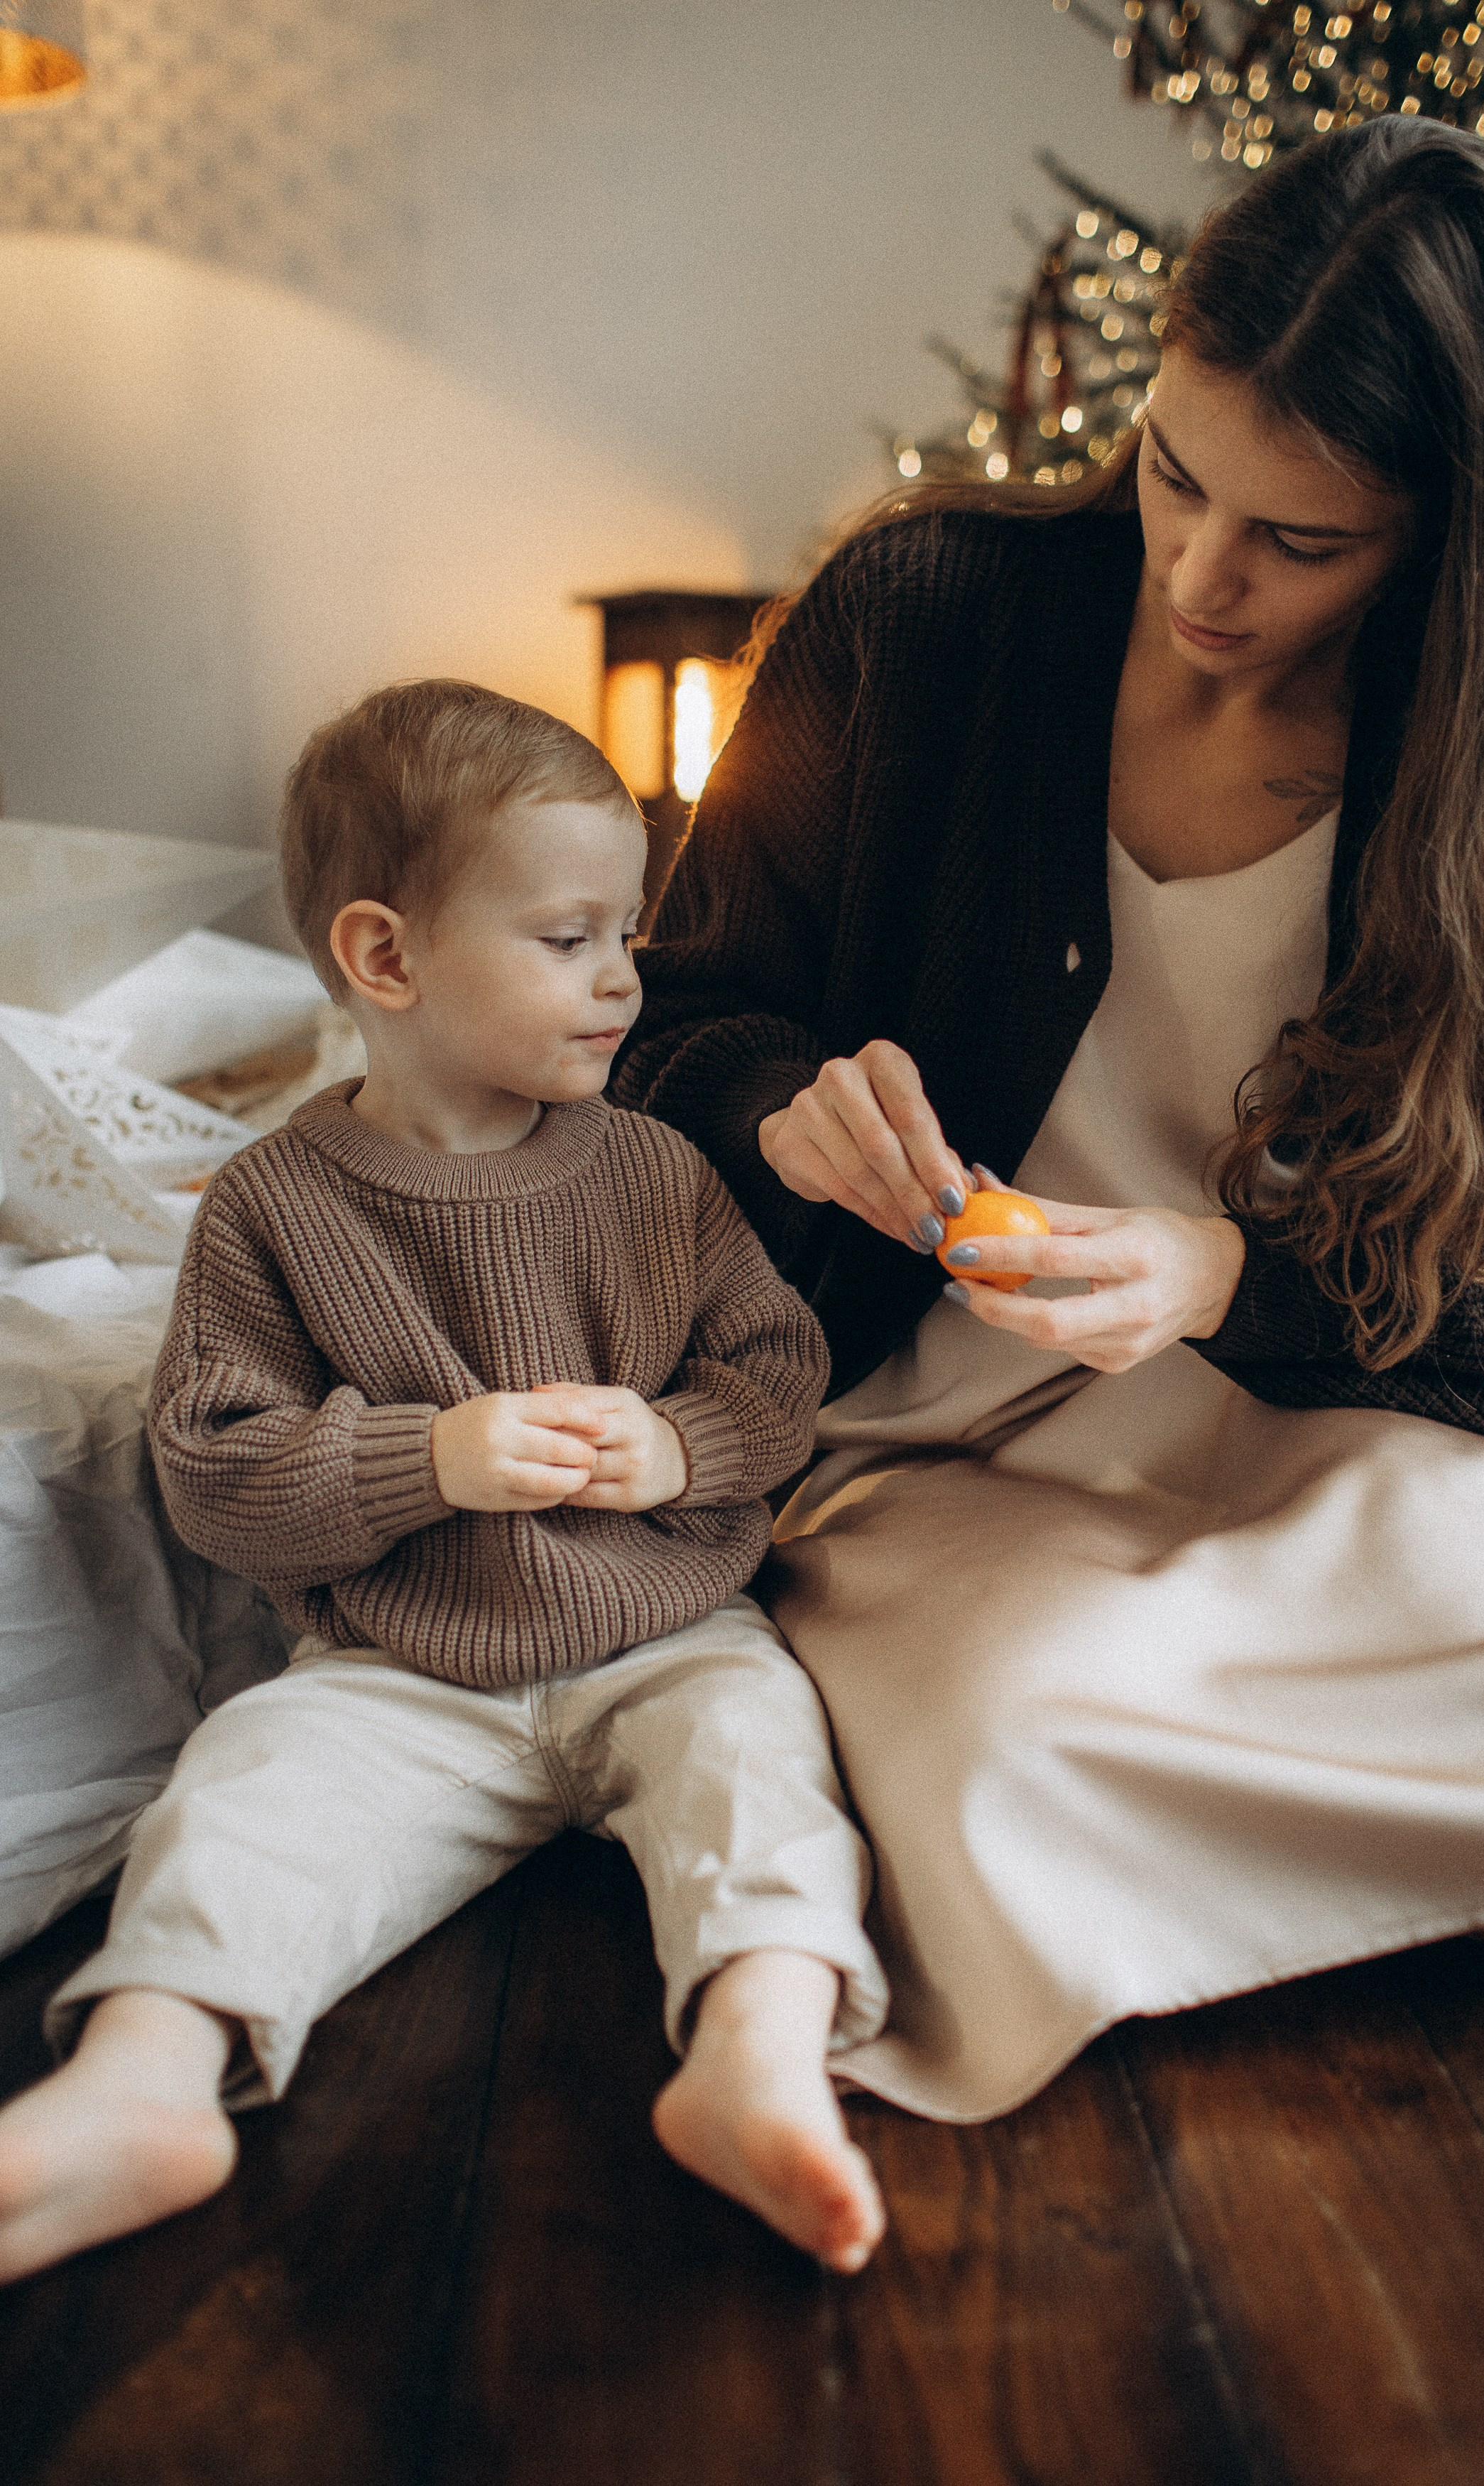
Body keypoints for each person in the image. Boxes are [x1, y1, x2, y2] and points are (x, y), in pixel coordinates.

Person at [615, 116, 1484, 2123]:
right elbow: (672, 1021)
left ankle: (1303, 1857)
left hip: (1333, 1443)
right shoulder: (923, 613)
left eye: (1301, 538)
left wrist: (1218, 1277)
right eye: (1177, 470)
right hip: (938, 1452)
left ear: (1454, 531)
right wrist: (782, 1108)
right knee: (1003, 1744)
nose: (1200, 571)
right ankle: (1412, 1859)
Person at [0, 681, 889, 2283]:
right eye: (568, 938)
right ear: (385, 958)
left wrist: (681, 1444)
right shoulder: (273, 1206)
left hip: (667, 1635)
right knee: (240, 1797)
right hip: (399, 1669)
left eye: (628, 933)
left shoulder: (657, 1169)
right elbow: (214, 1472)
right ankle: (148, 2081)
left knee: (764, 1770)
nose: (623, 979)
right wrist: (427, 1457)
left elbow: (776, 1370)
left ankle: (756, 2056)